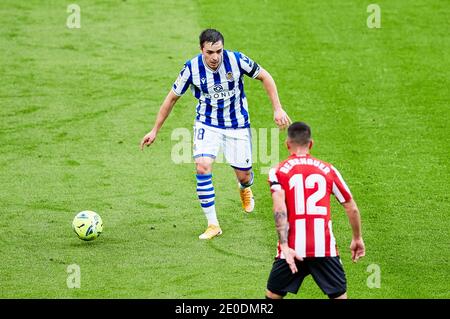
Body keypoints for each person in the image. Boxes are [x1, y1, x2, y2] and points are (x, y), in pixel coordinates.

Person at [140, 29, 291, 240]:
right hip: (207, 124)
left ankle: (244, 187)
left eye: (218, 51)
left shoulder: (237, 60)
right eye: (210, 52)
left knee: (244, 175)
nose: (215, 57)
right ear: (202, 49)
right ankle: (213, 224)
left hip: (237, 125)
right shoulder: (191, 68)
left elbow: (265, 76)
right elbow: (171, 98)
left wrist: (277, 108)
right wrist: (155, 130)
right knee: (202, 167)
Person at [266, 122, 365, 299]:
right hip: (324, 249)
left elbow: (279, 207)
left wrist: (285, 245)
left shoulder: (278, 171)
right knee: (340, 297)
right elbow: (352, 207)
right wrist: (357, 238)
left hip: (292, 249)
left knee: (272, 296)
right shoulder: (328, 170)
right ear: (310, 143)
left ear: (287, 144)